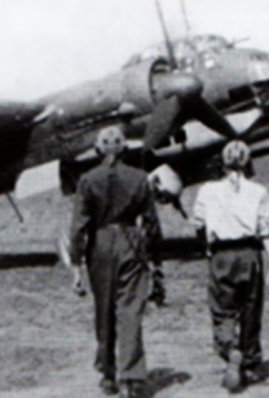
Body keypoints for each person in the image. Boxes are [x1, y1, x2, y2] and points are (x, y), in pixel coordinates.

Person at [69, 125, 163, 398]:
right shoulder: (139, 178)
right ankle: (132, 378)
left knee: (104, 309)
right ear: (124, 147)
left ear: (98, 149)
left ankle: (108, 374)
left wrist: (76, 267)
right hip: (131, 243)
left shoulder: (88, 180)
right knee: (130, 310)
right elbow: (152, 224)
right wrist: (157, 260)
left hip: (99, 246)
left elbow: (78, 227)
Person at [192, 140, 269, 392]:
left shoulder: (207, 190)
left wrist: (207, 247)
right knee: (251, 307)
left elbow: (199, 223)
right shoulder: (259, 191)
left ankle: (230, 347)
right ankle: (248, 355)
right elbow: (266, 231)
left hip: (221, 254)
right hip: (250, 254)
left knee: (222, 308)